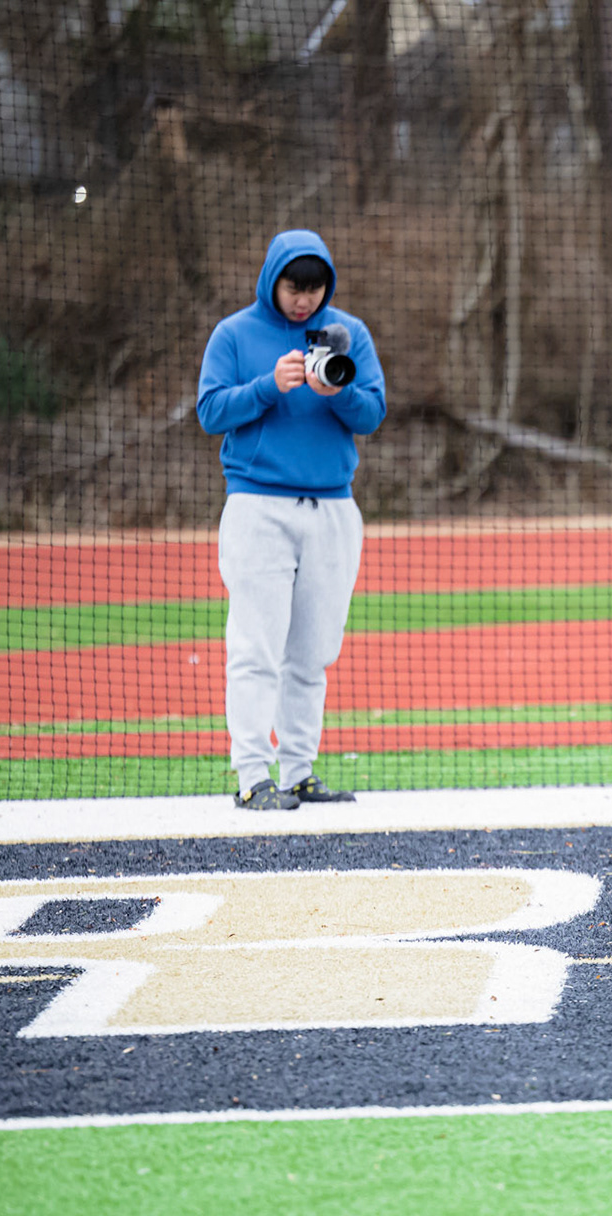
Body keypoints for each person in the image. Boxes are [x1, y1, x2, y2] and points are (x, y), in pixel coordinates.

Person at [197, 229, 387, 810]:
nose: (304, 300)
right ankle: (253, 776)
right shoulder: (234, 334)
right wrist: (267, 387)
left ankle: (300, 771)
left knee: (312, 652)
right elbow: (210, 410)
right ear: (271, 281)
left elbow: (372, 412)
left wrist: (335, 391)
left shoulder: (348, 333)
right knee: (255, 647)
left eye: (314, 288)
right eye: (293, 287)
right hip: (258, 507)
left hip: (332, 509)